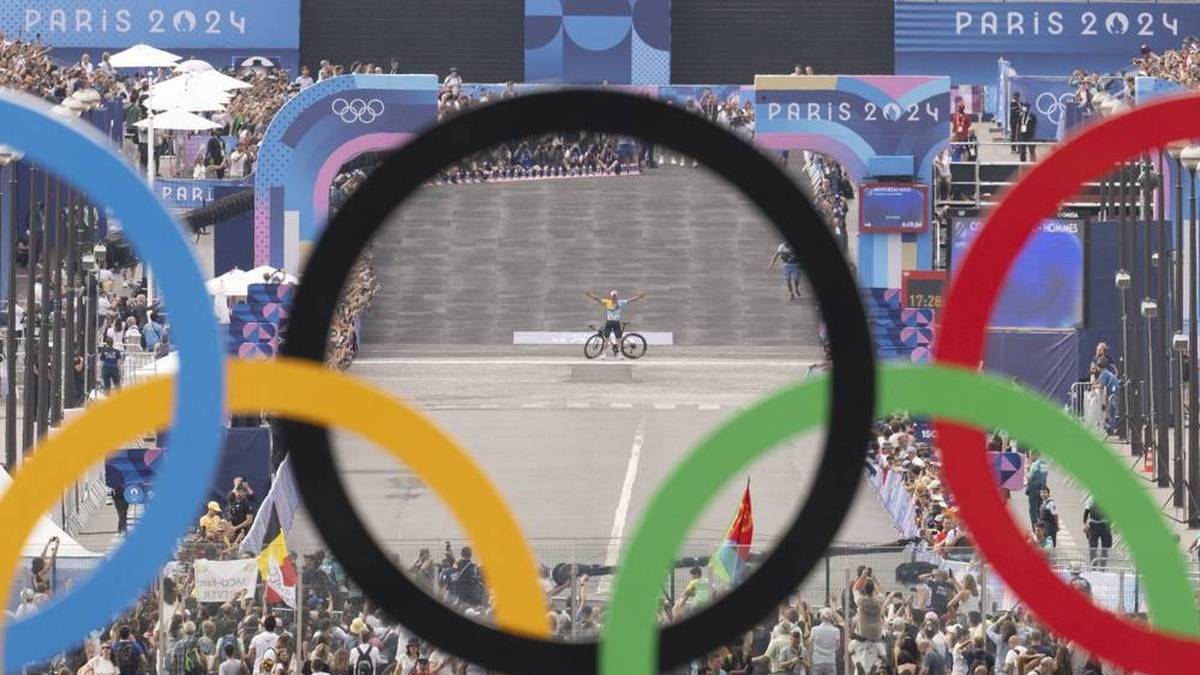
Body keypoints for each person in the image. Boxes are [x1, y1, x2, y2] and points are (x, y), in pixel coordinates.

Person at [584, 290, 646, 358]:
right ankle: (604, 354)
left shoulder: (620, 302)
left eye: (615, 296)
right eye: (613, 296)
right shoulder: (607, 302)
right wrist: (590, 296)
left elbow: (630, 300)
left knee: (618, 339)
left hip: (616, 323)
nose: (614, 297)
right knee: (606, 339)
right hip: (609, 323)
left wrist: (639, 297)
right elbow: (597, 299)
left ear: (617, 296)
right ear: (611, 297)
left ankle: (619, 354)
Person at [1083, 495, 1113, 569]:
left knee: (1105, 549)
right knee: (1093, 548)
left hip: (1105, 526)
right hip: (1094, 526)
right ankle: (1094, 568)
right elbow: (1086, 511)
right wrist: (1084, 524)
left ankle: (1102, 569)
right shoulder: (1092, 498)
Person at [808, 608, 841, 675]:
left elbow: (810, 647)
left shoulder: (814, 630)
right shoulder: (836, 631)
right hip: (830, 660)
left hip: (817, 660)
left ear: (821, 617)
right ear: (831, 618)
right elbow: (837, 647)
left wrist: (809, 661)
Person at [1024, 450, 1048, 528]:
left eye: (1031, 455)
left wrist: (1027, 471)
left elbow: (1029, 477)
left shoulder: (1035, 464)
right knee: (1039, 510)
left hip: (1033, 490)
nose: (1030, 457)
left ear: (1035, 455)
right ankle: (1042, 528)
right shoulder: (1044, 464)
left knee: (1033, 511)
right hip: (1042, 490)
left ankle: (1035, 529)